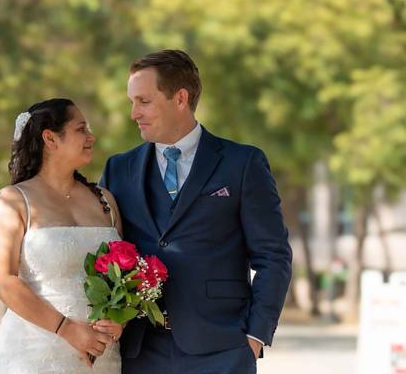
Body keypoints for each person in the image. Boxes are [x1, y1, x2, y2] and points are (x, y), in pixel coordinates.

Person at [100, 50, 292, 374]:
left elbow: (273, 256)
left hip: (221, 349)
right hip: (140, 351)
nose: (134, 113)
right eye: (132, 102)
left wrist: (255, 335)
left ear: (180, 98)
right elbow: (105, 249)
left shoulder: (242, 163)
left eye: (144, 101)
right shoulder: (119, 169)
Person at [0, 98, 125, 373]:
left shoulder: (105, 200)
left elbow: (124, 276)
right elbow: (2, 281)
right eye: (81, 129)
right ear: (50, 138)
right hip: (36, 351)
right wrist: (67, 329)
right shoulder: (12, 202)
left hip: (102, 355)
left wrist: (121, 320)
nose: (91, 137)